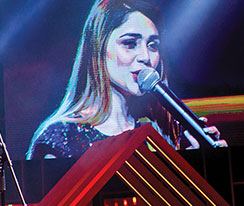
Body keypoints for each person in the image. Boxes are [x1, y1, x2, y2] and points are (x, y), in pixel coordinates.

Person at [27, 0, 226, 160]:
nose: (146, 57)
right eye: (130, 44)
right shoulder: (61, 137)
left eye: (153, 45)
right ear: (98, 49)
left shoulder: (168, 132)